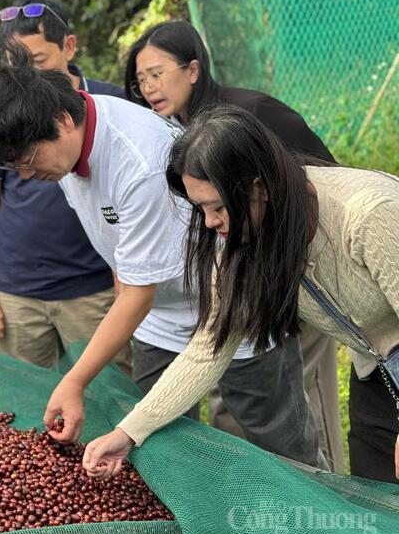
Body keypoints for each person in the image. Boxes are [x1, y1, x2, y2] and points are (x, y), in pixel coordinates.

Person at [0, 44, 326, 469]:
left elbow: (137, 294)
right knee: (163, 458)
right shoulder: (62, 148)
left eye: (26, 160)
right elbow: (122, 256)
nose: (26, 176)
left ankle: (317, 530)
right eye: (14, 167)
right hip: (161, 324)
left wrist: (75, 381)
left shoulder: (139, 161)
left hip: (236, 313)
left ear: (61, 121)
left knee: (282, 454)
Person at [83, 105, 399, 483]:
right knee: (378, 491)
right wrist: (129, 432)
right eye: (200, 209)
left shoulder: (370, 216)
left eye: (217, 207)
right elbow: (209, 349)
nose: (210, 222)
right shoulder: (245, 239)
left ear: (258, 187)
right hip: (378, 368)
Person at [124, 20, 344, 472]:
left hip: (311, 276)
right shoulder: (173, 134)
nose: (148, 87)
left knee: (303, 409)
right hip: (248, 280)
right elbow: (208, 348)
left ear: (193, 69)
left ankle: (332, 504)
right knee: (232, 417)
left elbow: (324, 187)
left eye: (157, 73)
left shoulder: (256, 113)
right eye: (140, 79)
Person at [0, 0, 131, 373]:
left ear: (69, 46)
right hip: (18, 291)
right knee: (27, 401)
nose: (26, 76)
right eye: (16, 63)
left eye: (37, 62)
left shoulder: (110, 104)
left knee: (109, 395)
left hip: (93, 289)